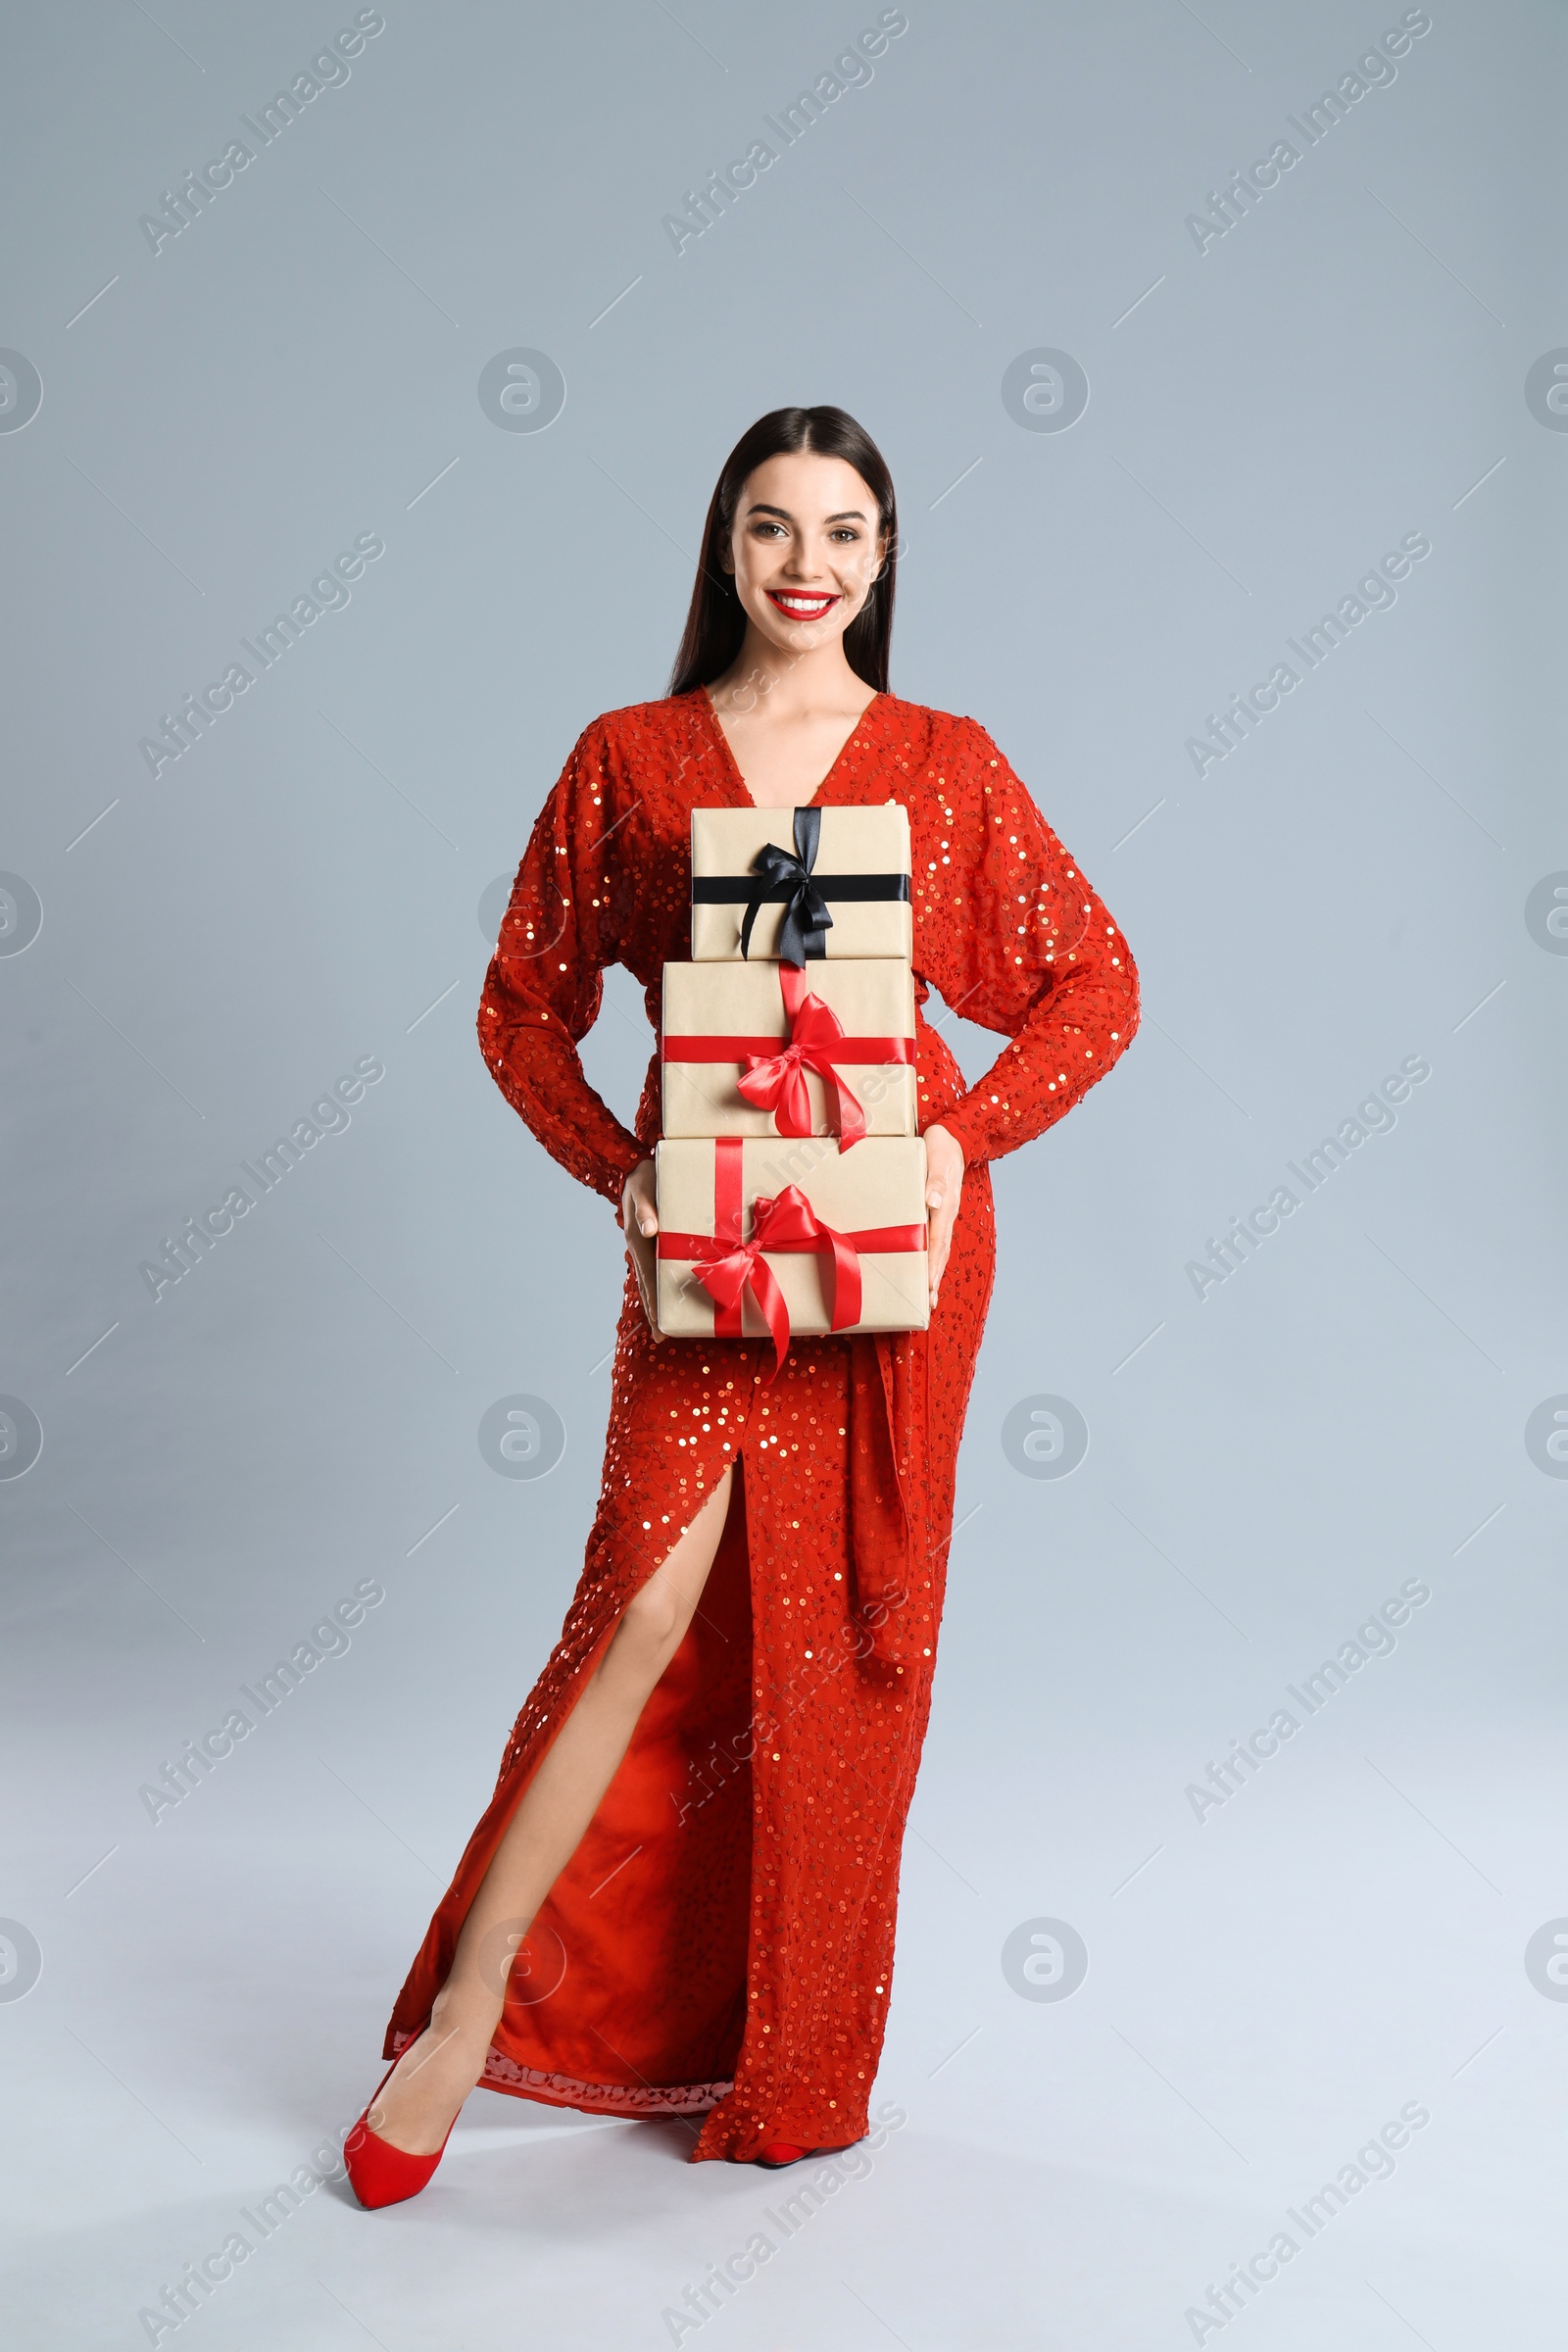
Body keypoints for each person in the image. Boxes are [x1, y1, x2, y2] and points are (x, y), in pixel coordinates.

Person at [344, 404, 1140, 2206]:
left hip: (895, 1261)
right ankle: (465, 2023)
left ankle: (789, 2055)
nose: (808, 562)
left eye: (845, 531)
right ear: (724, 547)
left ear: (882, 559)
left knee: (850, 1636)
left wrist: (962, 1136)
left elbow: (1097, 982)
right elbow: (519, 1004)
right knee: (642, 1608)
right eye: (774, 526)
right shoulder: (630, 755)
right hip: (709, 1242)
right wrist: (618, 1172)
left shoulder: (946, 762)